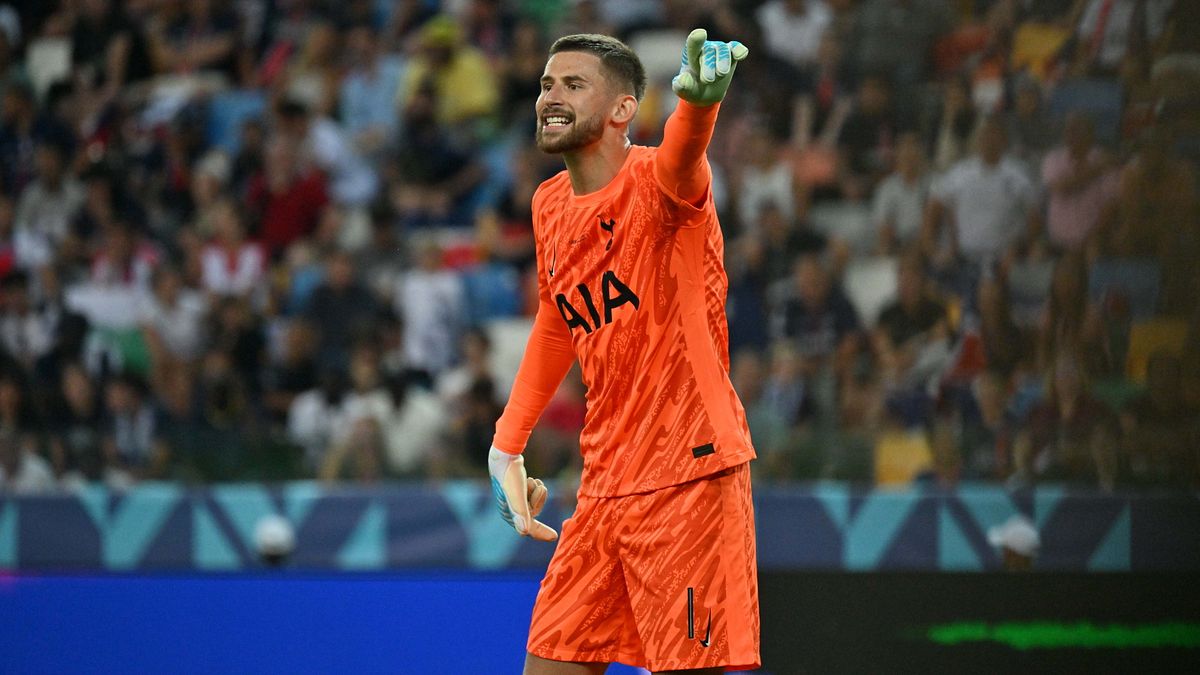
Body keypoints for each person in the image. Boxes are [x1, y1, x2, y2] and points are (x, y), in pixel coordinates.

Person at [488, 31, 759, 674]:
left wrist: (698, 107)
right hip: (603, 487)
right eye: (546, 85)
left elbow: (684, 156)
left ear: (622, 109)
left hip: (690, 477)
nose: (551, 96)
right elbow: (558, 320)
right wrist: (506, 445)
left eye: (573, 84)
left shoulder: (660, 183)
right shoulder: (548, 205)